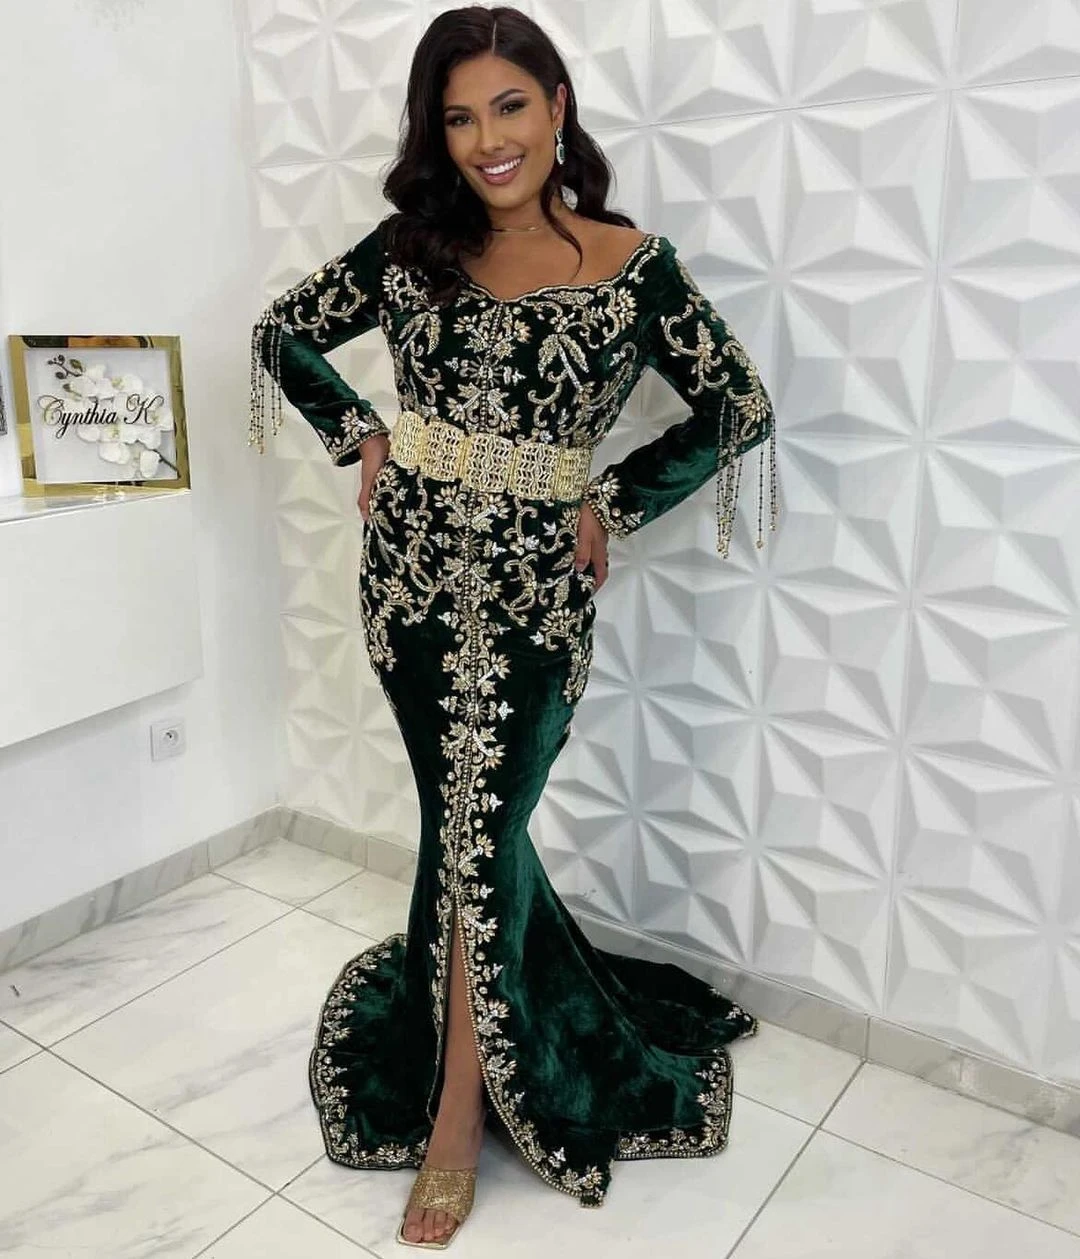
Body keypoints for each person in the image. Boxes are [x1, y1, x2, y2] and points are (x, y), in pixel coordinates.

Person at [250, 5, 777, 1249]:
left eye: (509, 106)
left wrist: (616, 499)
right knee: (464, 826)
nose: (488, 139)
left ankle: (461, 1102)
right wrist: (360, 435)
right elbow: (282, 332)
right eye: (458, 117)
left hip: (541, 597)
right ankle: (460, 1085)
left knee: (480, 829)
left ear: (556, 108)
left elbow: (736, 404)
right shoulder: (412, 247)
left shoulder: (634, 268)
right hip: (410, 583)